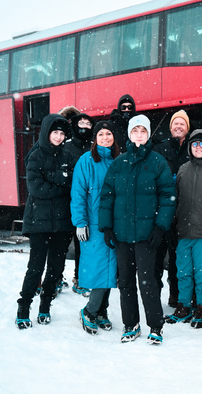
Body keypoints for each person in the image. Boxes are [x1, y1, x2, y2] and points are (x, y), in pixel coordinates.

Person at [98, 114, 175, 345]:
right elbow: (107, 196)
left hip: (146, 236)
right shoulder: (119, 163)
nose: (139, 135)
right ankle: (130, 324)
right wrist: (107, 227)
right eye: (135, 130)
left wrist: (160, 227)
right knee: (126, 282)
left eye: (143, 131)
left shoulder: (157, 162)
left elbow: (168, 198)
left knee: (148, 281)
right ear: (130, 134)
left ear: (148, 134)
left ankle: (155, 326)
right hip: (121, 235)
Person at [15, 113, 76, 329]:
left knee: (56, 269)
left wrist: (52, 181)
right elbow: (35, 188)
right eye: (55, 132)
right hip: (39, 223)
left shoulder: (68, 157)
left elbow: (72, 186)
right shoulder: (35, 156)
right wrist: (60, 183)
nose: (58, 137)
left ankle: (45, 306)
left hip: (62, 224)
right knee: (36, 268)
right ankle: (23, 308)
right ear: (46, 133)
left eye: (62, 133)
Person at [166, 129, 202, 329]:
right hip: (183, 231)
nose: (198, 147)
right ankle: (183, 305)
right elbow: (176, 200)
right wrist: (173, 225)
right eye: (195, 144)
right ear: (190, 147)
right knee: (183, 272)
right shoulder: (183, 170)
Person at [70, 121, 120, 335]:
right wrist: (80, 222)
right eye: (101, 134)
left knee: (111, 268)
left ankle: (101, 311)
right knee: (100, 268)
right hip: (94, 224)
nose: (106, 137)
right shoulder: (86, 160)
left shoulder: (119, 160)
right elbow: (78, 194)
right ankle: (89, 311)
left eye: (109, 134)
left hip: (115, 224)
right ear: (95, 138)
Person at [152, 109, 190, 308]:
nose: (178, 126)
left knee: (177, 259)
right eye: (176, 123)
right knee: (157, 257)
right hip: (161, 211)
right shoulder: (160, 148)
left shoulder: (192, 149)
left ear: (187, 129)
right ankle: (154, 296)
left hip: (183, 213)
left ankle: (175, 295)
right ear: (171, 127)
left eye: (182, 124)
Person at [62, 109, 96, 297]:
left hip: (87, 204)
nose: (84, 127)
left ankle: (80, 278)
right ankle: (57, 277)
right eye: (80, 124)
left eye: (88, 124)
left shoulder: (94, 146)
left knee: (82, 242)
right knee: (62, 242)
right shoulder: (66, 146)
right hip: (66, 201)